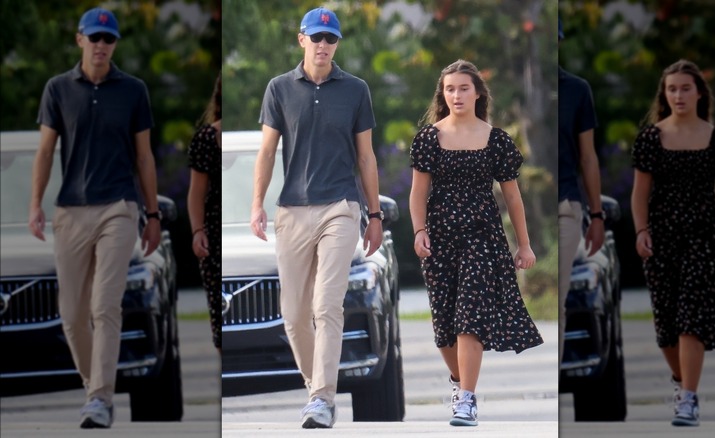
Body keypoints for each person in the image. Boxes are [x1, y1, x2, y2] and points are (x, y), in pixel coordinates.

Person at [250, 6, 383, 429]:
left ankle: (323, 399)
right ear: (301, 39)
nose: (324, 45)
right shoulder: (278, 88)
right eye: (317, 37)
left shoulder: (356, 90)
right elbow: (268, 151)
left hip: (340, 207)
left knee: (327, 304)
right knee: (293, 314)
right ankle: (317, 390)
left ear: (337, 43)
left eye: (331, 39)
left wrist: (375, 213)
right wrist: (256, 205)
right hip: (292, 210)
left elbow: (366, 156)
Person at [27, 7, 160, 429]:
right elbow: (46, 151)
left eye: (109, 38)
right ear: (80, 40)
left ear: (115, 44)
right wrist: (35, 205)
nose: (102, 45)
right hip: (71, 211)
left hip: (118, 208)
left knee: (105, 305)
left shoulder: (134, 91)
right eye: (95, 37)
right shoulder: (58, 89)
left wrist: (153, 213)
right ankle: (96, 387)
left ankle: (101, 399)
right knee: (71, 313)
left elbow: (144, 156)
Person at [409, 59, 543, 427]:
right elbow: (418, 193)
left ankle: (466, 399)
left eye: (464, 88)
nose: (456, 95)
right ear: (443, 94)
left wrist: (524, 244)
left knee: (469, 317)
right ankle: (457, 381)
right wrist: (419, 231)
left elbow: (513, 198)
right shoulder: (429, 138)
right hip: (440, 239)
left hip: (483, 238)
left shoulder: (496, 139)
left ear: (478, 92)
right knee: (444, 327)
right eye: (450, 89)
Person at [631, 59, 715, 427]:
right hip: (662, 239)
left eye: (685, 88)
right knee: (667, 327)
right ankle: (679, 381)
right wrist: (642, 231)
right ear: (665, 95)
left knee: (691, 318)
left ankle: (688, 398)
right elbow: (639, 194)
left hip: (705, 239)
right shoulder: (651, 138)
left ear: (700, 93)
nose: (678, 95)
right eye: (672, 89)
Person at [557, 17, 605, 362]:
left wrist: (597, 214)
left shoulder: (577, 90)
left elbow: (588, 158)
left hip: (565, 205)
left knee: (555, 296)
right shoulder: (511, 91)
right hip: (516, 208)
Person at [187, 71, 222, 352]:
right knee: (219, 317)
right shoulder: (206, 139)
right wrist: (197, 230)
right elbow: (196, 193)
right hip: (214, 236)